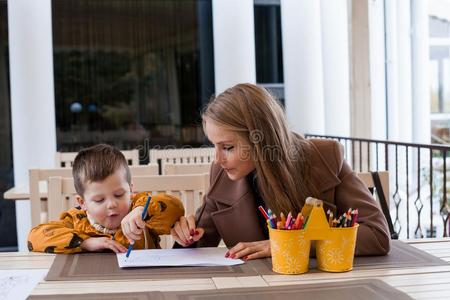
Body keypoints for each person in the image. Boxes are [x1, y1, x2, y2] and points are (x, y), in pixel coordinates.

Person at [171, 83, 390, 260]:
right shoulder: (221, 174)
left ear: (261, 140)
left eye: (227, 147)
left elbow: (377, 235)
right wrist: (186, 235)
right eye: (214, 145)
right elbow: (197, 246)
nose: (218, 159)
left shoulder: (324, 158)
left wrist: (289, 245)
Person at [28, 144, 184, 253]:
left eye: (119, 195)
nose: (111, 204)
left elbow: (175, 209)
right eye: (99, 200)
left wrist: (142, 210)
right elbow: (34, 237)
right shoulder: (77, 220)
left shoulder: (140, 211)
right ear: (82, 203)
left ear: (130, 190)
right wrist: (86, 243)